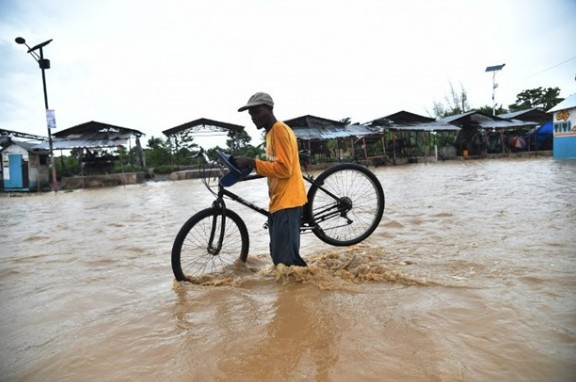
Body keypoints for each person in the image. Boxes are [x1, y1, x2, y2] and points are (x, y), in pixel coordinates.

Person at [234, 92, 308, 267]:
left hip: (288, 202)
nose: (253, 117)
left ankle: (306, 292)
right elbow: (275, 166)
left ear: (268, 109)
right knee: (279, 259)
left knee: (287, 262)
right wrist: (251, 167)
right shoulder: (270, 134)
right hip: (279, 202)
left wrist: (253, 162)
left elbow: (284, 169)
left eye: (256, 112)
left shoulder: (279, 130)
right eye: (250, 114)